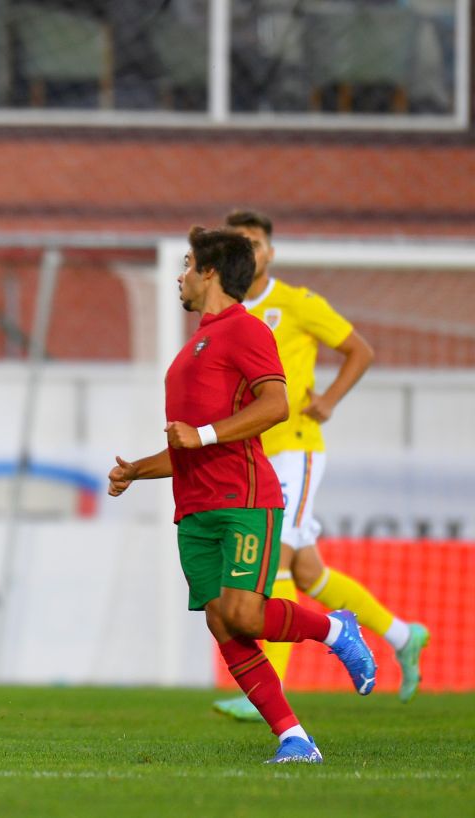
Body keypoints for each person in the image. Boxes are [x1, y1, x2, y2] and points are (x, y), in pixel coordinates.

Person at [108, 226, 376, 764]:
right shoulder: (192, 350)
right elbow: (186, 446)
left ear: (209, 273)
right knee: (222, 622)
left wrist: (203, 435)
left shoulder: (246, 329)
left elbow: (275, 405)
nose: (179, 275)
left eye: (187, 264)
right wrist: (137, 469)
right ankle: (294, 739)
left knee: (246, 614)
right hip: (195, 511)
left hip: (244, 500)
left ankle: (334, 628)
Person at [211, 210, 429, 723]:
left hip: (297, 449)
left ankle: (270, 686)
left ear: (270, 251)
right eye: (238, 241)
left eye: (255, 241)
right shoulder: (229, 312)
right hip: (257, 454)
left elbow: (359, 349)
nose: (248, 248)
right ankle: (403, 635)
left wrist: (329, 399)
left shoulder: (296, 303)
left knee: (277, 559)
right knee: (309, 572)